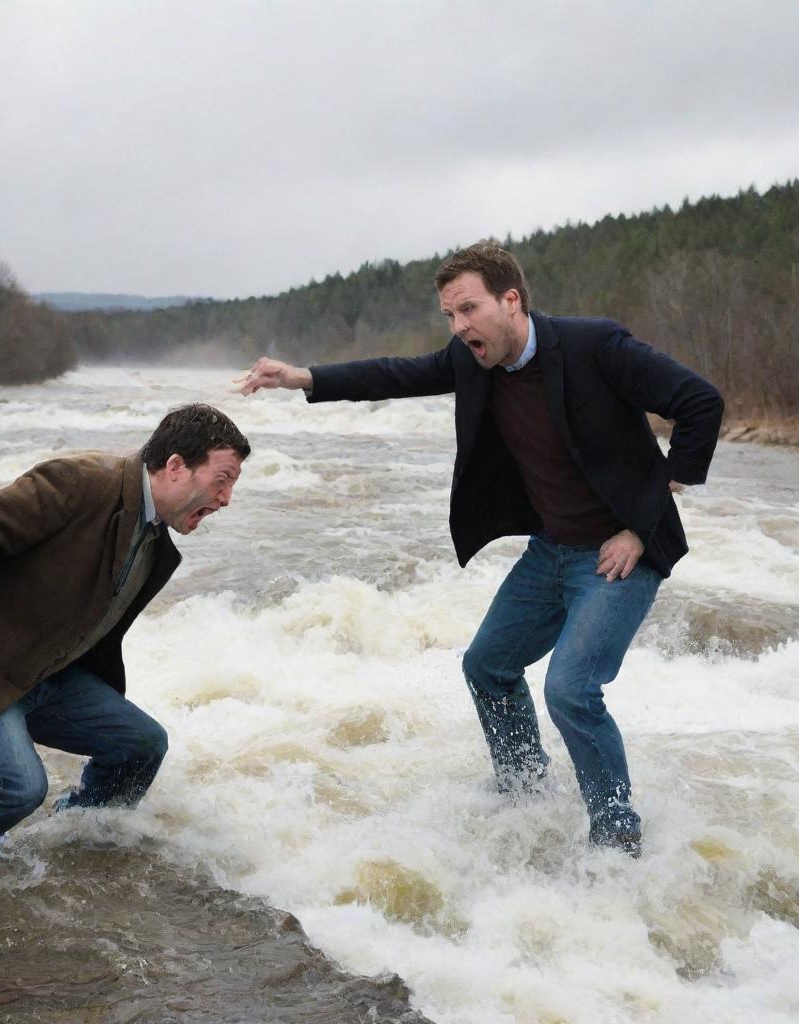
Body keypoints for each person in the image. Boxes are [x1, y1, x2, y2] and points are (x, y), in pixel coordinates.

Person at [240, 243, 723, 855]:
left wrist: (647, 515)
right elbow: (398, 373)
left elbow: (700, 402)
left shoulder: (593, 345)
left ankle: (617, 836)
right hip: (551, 550)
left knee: (570, 691)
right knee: (487, 666)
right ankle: (526, 794)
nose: (458, 325)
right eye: (449, 315)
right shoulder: (473, 362)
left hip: (618, 553)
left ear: (511, 300)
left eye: (468, 308)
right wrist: (303, 377)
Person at [0, 403, 250, 862]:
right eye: (221, 480)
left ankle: (72, 835)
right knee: (17, 787)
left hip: (44, 671)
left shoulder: (154, 539)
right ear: (175, 467)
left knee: (141, 746)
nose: (225, 499)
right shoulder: (82, 482)